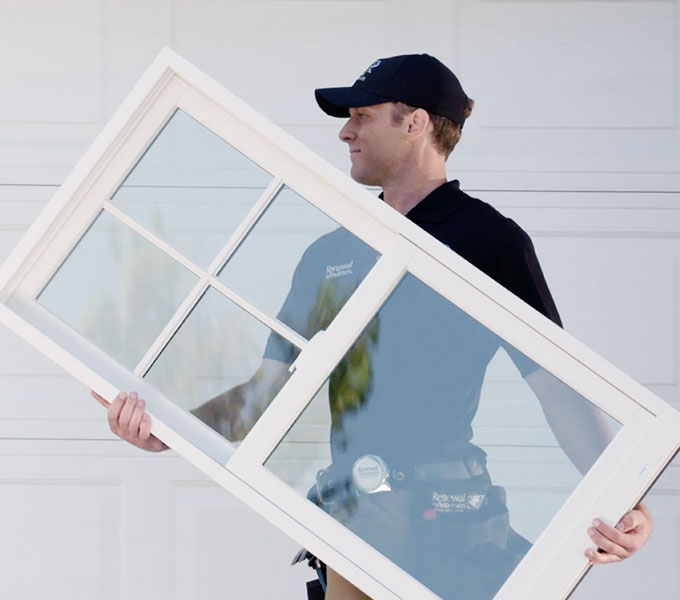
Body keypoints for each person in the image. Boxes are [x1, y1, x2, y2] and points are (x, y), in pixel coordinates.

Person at [92, 54, 652, 599]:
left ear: (414, 124)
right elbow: (265, 392)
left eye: (361, 115)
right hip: (356, 506)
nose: (344, 133)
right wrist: (169, 431)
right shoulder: (332, 253)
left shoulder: (489, 241)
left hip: (451, 513)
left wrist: (623, 502)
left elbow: (560, 392)